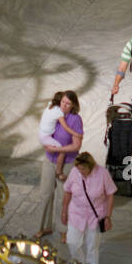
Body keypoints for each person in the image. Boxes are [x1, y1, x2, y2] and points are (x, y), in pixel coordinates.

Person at [36, 91, 84, 239]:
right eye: (62, 102)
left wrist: (58, 149)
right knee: (46, 194)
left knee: (63, 197)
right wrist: (48, 147)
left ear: (73, 105)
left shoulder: (76, 120)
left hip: (67, 163)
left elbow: (76, 146)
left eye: (68, 103)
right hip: (50, 160)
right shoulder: (53, 112)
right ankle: (44, 227)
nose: (64, 105)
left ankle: (64, 230)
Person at [60, 151, 114, 264]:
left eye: (83, 169)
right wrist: (64, 211)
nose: (81, 172)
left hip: (95, 215)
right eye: (79, 169)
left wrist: (108, 217)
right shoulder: (75, 172)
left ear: (91, 166)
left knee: (92, 247)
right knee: (71, 242)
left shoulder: (103, 174)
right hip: (76, 213)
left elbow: (110, 195)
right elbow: (67, 191)